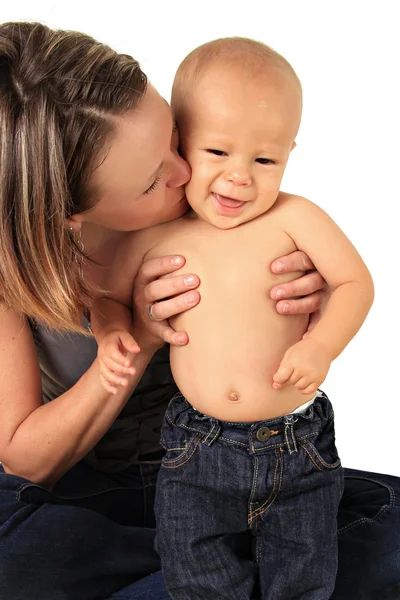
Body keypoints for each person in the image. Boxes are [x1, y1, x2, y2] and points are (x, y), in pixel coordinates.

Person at [0, 21, 398, 600]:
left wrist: (307, 297)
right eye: (151, 180)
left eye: (173, 136)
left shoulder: (223, 195)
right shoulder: (17, 266)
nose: (188, 172)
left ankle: (206, 577)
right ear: (69, 214)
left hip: (229, 459)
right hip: (85, 490)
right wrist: (136, 338)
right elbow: (24, 461)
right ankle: (223, 573)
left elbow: (336, 272)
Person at [91, 38, 374, 599]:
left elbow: (354, 283)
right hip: (196, 448)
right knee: (194, 570)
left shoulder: (297, 217)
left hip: (298, 441)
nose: (240, 177)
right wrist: (112, 333)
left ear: (290, 151)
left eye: (265, 159)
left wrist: (321, 347)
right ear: (178, 146)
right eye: (217, 153)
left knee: (306, 571)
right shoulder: (156, 234)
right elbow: (106, 294)